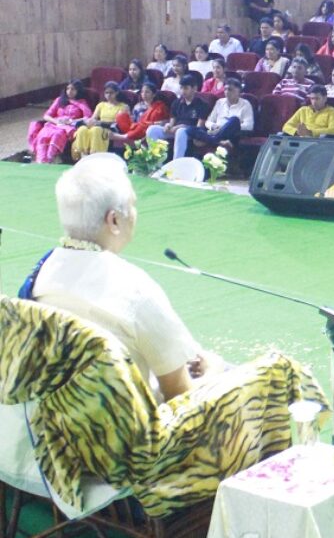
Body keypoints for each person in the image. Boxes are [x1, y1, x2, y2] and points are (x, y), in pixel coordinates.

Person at [31, 154, 211, 399]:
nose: (135, 214)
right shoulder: (136, 290)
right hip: (121, 420)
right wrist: (213, 372)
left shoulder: (41, 272)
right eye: (132, 205)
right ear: (114, 220)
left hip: (54, 415)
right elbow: (179, 394)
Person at [27, 80, 92, 164]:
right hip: (53, 125)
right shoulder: (59, 100)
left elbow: (88, 117)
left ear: (78, 91)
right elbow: (46, 116)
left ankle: (50, 160)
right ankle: (41, 161)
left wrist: (72, 121)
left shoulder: (82, 102)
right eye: (68, 88)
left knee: (57, 135)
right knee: (43, 135)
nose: (69, 91)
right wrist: (56, 121)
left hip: (68, 127)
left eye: (73, 89)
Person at [185, 77, 255, 151]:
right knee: (190, 129)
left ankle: (213, 140)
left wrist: (225, 127)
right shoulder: (220, 102)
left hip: (231, 133)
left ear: (238, 91)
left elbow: (249, 126)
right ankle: (219, 142)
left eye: (230, 89)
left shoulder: (245, 104)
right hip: (215, 131)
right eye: (225, 89)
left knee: (234, 120)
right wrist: (213, 126)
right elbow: (208, 122)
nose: (227, 92)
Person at [146, 75, 206, 159]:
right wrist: (168, 125)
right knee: (152, 130)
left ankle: (176, 162)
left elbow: (199, 128)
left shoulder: (201, 104)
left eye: (186, 88)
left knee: (181, 131)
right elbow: (172, 122)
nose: (183, 91)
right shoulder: (176, 103)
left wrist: (183, 126)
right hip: (175, 130)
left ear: (194, 88)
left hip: (190, 132)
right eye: (181, 88)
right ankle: (156, 161)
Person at [71, 82, 128, 160]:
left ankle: (95, 155)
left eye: (111, 93)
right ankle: (83, 155)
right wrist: (88, 122)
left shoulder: (123, 106)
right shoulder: (101, 105)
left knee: (96, 130)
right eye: (106, 93)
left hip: (111, 128)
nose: (108, 95)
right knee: (82, 129)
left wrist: (99, 123)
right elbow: (93, 118)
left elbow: (118, 122)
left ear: (117, 93)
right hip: (98, 126)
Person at [110, 81, 169, 148]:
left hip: (147, 129)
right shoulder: (138, 106)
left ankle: (124, 137)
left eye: (147, 92)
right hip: (136, 128)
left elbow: (163, 121)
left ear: (154, 94)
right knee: (121, 116)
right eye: (142, 92)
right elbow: (133, 120)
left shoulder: (160, 106)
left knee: (144, 125)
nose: (144, 94)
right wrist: (128, 115)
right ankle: (131, 136)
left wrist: (148, 123)